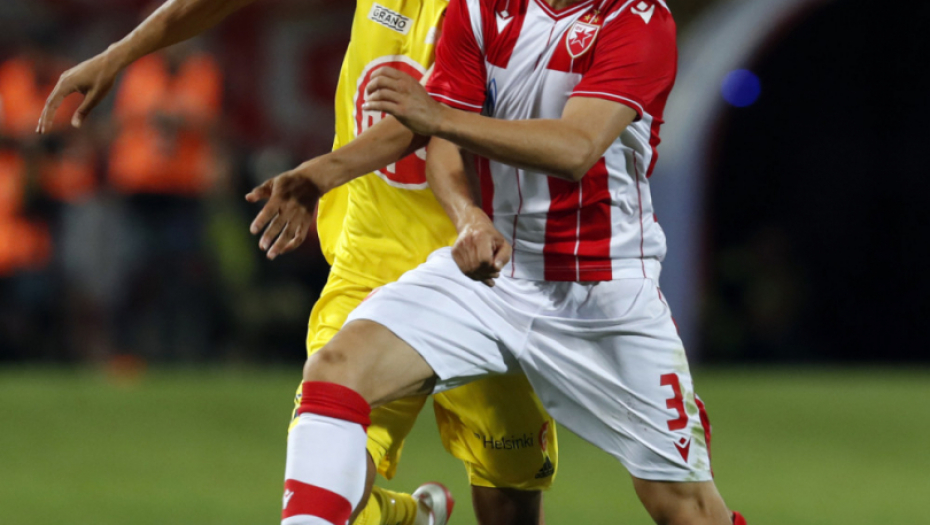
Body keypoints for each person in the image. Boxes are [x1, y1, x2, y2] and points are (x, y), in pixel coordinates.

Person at [38, 1, 559, 524]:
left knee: (509, 494)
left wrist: (321, 172)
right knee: (326, 464)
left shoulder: (507, 11)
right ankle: (404, 517)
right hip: (371, 261)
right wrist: (121, 52)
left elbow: (434, 117)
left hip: (483, 270)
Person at [260, 0, 750, 523]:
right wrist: (469, 218)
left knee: (686, 509)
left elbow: (575, 148)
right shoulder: (480, 9)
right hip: (493, 279)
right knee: (336, 369)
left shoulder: (638, 20)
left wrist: (440, 117)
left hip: (600, 296)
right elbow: (444, 146)